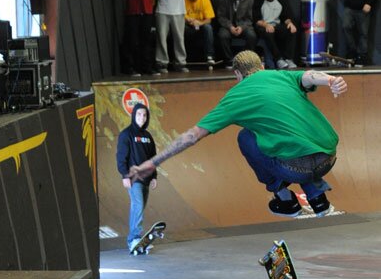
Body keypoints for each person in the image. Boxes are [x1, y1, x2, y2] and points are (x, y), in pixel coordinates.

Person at [128, 50, 348, 219]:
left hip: (296, 169)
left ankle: (285, 199)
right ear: (262, 66)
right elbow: (310, 76)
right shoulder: (283, 76)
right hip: (328, 158)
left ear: (237, 74)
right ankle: (318, 198)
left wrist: (153, 162)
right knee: (289, 135)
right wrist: (331, 80)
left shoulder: (235, 97)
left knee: (246, 136)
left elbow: (192, 136)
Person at [117, 103, 158, 252]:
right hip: (133, 179)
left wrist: (154, 176)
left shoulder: (148, 137)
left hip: (146, 179)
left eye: (144, 115)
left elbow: (153, 158)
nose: (142, 117)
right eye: (139, 114)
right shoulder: (126, 134)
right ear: (133, 115)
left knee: (139, 208)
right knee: (137, 205)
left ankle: (137, 240)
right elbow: (121, 157)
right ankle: (134, 239)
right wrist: (124, 175)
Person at [254, 0, 297, 70]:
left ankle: (288, 59)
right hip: (263, 25)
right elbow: (256, 20)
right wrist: (266, 25)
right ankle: (278, 59)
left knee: (291, 30)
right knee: (268, 32)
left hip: (276, 26)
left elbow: (286, 17)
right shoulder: (259, 0)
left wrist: (290, 23)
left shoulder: (281, 0)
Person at [217, 0, 257, 69]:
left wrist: (241, 27)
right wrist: (230, 26)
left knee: (252, 35)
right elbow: (221, 17)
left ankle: (246, 60)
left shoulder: (249, 0)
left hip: (243, 26)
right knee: (223, 35)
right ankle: (229, 61)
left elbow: (249, 19)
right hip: (228, 26)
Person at [338, 0, 379, 67]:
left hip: (363, 8)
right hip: (349, 7)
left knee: (363, 33)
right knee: (346, 26)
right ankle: (352, 51)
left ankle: (362, 56)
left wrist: (369, 3)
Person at [123, 0, 159, 76]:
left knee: (146, 39)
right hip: (133, 8)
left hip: (147, 7)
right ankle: (130, 67)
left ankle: (146, 67)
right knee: (131, 39)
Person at [155, 0, 191, 73]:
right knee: (161, 37)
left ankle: (180, 63)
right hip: (163, 7)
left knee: (179, 38)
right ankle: (161, 63)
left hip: (179, 9)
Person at [184, 0, 216, 65]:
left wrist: (199, 23)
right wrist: (189, 21)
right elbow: (181, 16)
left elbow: (209, 19)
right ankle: (182, 57)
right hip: (188, 25)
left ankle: (209, 56)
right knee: (180, 27)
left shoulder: (205, 0)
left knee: (208, 27)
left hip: (201, 25)